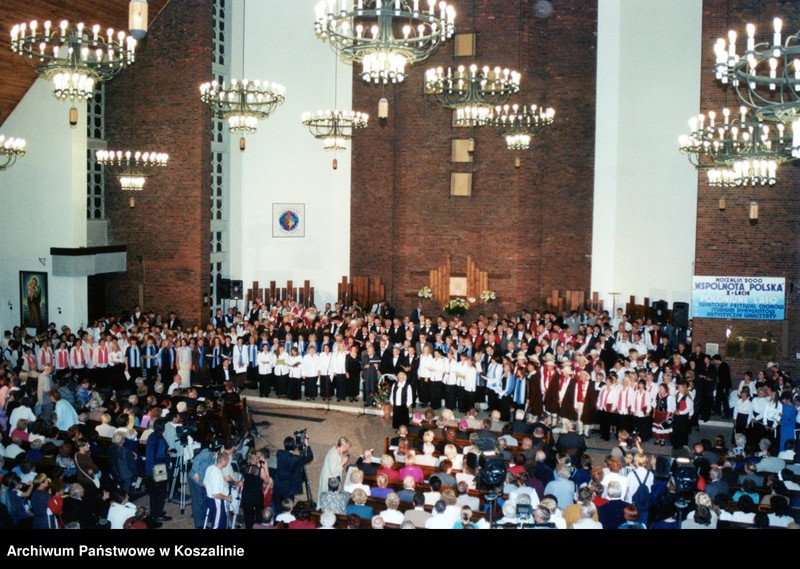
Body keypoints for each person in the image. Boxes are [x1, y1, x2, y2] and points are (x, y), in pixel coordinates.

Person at [273, 435, 314, 510]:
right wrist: (307, 444)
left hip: (278, 484)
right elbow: (309, 457)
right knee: (288, 505)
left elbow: (287, 453)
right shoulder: (296, 459)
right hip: (289, 487)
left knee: (277, 506)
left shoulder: (279, 453)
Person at [144, 418, 171, 523]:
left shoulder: (151, 436)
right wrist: (168, 454)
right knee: (161, 493)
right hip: (159, 469)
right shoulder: (160, 439)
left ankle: (154, 512)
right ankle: (158, 514)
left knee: (154, 493)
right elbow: (160, 456)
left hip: (150, 468)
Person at [240, 448, 271, 529]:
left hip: (246, 495)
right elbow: (267, 481)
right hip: (256, 496)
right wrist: (265, 467)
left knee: (248, 518)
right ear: (257, 458)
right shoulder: (260, 470)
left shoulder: (245, 467)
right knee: (259, 516)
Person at [204, 452, 232, 529]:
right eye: (227, 461)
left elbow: (205, 484)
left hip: (210, 499)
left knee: (221, 521)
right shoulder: (216, 473)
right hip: (217, 501)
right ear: (224, 461)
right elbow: (215, 494)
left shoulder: (210, 468)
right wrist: (226, 497)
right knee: (217, 524)